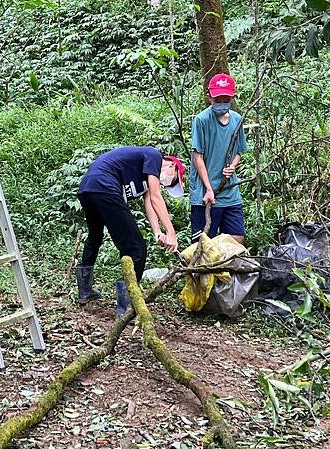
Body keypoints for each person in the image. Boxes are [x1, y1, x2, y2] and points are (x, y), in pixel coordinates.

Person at [75, 146, 184, 314]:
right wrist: (172, 233)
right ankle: (126, 305)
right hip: (105, 186)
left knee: (95, 236)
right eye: (174, 180)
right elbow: (156, 197)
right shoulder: (154, 156)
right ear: (172, 165)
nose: (167, 183)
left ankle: (85, 290)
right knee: (136, 248)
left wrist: (158, 232)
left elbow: (149, 202)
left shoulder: (146, 176)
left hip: (88, 188)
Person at [190, 73, 248, 244]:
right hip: (205, 192)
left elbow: (239, 151)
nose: (222, 103)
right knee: (204, 243)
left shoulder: (237, 119)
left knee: (237, 238)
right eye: (218, 99)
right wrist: (208, 189)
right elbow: (197, 157)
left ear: (232, 97)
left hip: (229, 190)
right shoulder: (201, 120)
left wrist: (232, 166)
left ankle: (226, 270)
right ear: (210, 97)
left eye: (226, 99)